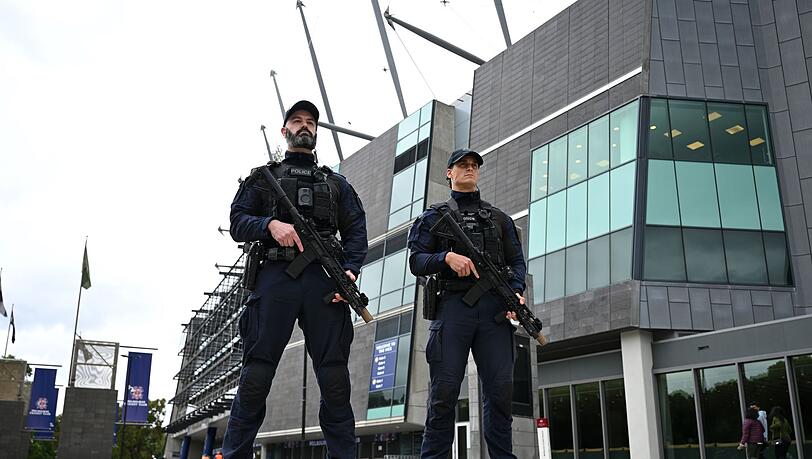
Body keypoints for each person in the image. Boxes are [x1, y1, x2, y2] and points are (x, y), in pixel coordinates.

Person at [222, 100, 368, 458]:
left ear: (316, 132)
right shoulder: (262, 177)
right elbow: (237, 222)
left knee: (334, 381)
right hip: (275, 278)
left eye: (311, 123)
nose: (305, 126)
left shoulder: (337, 184)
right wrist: (269, 224)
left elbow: (356, 232)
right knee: (255, 378)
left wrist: (349, 272)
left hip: (324, 284)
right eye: (297, 121)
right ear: (284, 130)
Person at [407, 148, 527, 459]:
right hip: (452, 307)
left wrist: (516, 291)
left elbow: (516, 262)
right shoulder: (432, 217)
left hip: (495, 313)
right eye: (463, 165)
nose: (469, 169)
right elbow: (416, 261)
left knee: (501, 392)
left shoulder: (500, 218)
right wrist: (445, 257)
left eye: (474, 165)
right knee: (444, 395)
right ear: (449, 172)